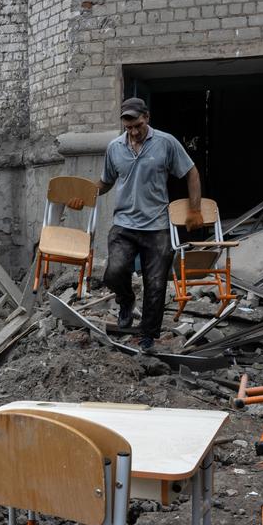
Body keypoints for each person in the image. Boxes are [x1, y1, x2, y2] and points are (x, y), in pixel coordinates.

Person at [72, 97, 201, 352]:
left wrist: (195, 209)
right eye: (128, 127)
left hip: (157, 226)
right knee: (114, 272)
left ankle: (148, 336)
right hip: (124, 224)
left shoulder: (166, 143)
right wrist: (85, 196)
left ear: (147, 118)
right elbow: (106, 181)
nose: (133, 132)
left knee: (155, 284)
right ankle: (126, 300)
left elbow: (191, 172)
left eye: (138, 126)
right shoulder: (114, 148)